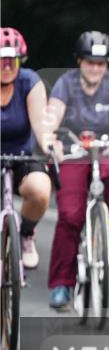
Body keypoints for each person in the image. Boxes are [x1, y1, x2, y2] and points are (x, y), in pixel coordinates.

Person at [45, 31, 109, 309]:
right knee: (69, 216)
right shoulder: (65, 84)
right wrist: (51, 140)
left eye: (101, 64)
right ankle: (61, 286)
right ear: (79, 61)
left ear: (107, 65)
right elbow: (52, 115)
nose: (95, 68)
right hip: (74, 152)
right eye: (90, 62)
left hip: (106, 147)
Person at [0, 27, 52, 270]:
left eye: (12, 60)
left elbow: (41, 122)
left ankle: (26, 234)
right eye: (1, 59)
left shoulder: (29, 81)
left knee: (41, 189)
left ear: (21, 60)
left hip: (21, 157)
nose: (7, 65)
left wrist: (49, 143)